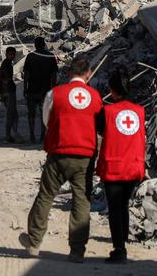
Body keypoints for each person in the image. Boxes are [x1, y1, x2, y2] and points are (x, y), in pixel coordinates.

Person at [19, 54, 102, 262]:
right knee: (81, 200)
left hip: (58, 152)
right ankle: (77, 250)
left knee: (46, 195)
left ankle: (34, 242)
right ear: (88, 75)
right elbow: (98, 125)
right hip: (84, 156)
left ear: (69, 73)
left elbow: (47, 120)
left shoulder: (55, 93)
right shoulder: (95, 96)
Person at [96, 67, 146, 264]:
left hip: (114, 166)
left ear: (112, 89)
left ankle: (119, 249)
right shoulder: (140, 112)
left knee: (115, 208)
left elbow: (100, 131)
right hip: (134, 166)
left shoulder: (106, 112)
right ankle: (123, 238)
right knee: (123, 204)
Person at [23, 36, 58, 143]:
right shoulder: (50, 56)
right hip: (45, 91)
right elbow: (54, 75)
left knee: (31, 114)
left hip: (32, 90)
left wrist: (25, 88)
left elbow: (26, 75)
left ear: (35, 45)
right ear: (44, 44)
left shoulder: (30, 56)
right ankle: (43, 136)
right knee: (44, 114)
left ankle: (32, 136)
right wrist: (53, 88)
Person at [0, 46, 21, 143]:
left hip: (8, 91)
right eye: (10, 54)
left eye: (13, 54)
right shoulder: (6, 64)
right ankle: (9, 135)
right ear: (6, 54)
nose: (12, 56)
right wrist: (5, 93)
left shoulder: (8, 64)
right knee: (11, 115)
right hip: (8, 92)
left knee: (14, 114)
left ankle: (13, 133)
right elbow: (4, 80)